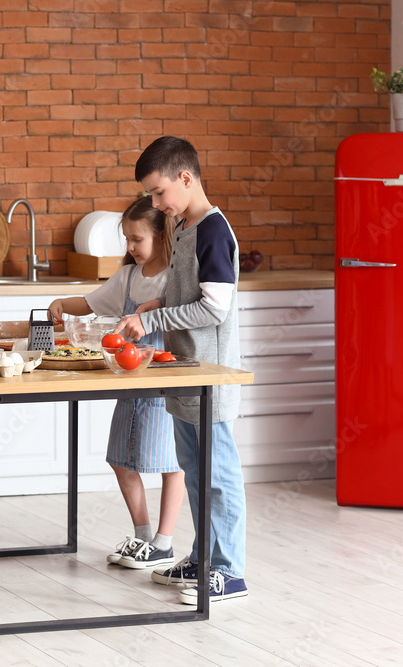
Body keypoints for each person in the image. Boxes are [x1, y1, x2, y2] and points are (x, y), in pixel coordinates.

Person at [115, 135, 248, 605]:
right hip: (187, 373)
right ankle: (204, 557)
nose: (154, 203)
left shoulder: (212, 229)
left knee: (218, 474)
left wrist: (151, 317)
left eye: (157, 193)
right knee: (194, 470)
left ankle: (229, 573)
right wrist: (156, 301)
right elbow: (187, 292)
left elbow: (212, 308)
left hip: (209, 375)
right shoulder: (186, 227)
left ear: (185, 179)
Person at [49, 196, 183, 571]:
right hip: (129, 386)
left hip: (164, 384)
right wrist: (62, 302)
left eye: (136, 239)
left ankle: (164, 541)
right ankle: (143, 536)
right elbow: (91, 304)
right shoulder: (127, 277)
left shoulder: (174, 277)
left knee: (172, 463)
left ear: (161, 234)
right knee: (121, 460)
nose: (130, 247)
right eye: (126, 239)